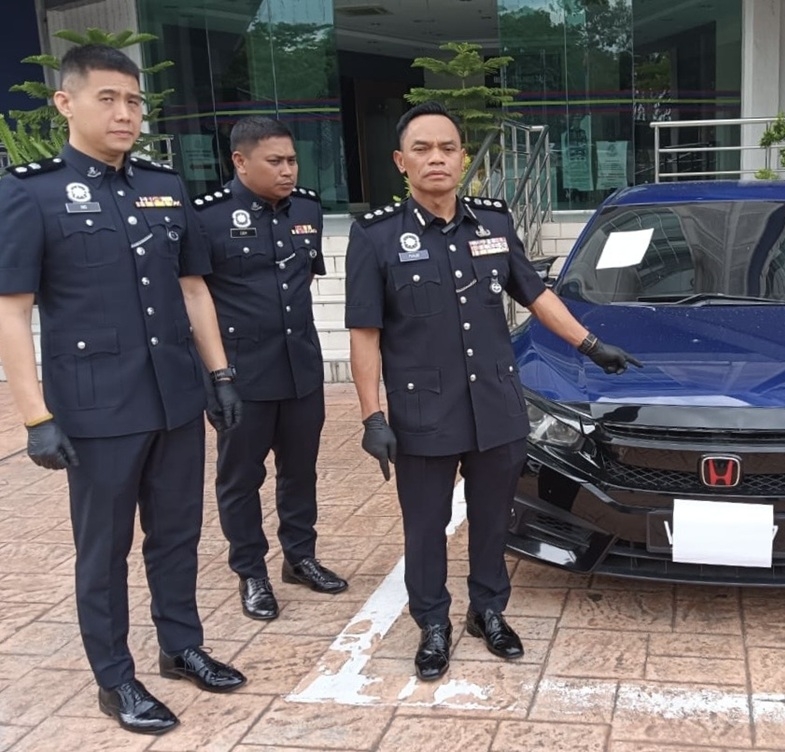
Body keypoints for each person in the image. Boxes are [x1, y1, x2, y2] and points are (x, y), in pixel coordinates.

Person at [345, 101, 640, 682]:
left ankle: (488, 612)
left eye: (448, 148)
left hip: (496, 406)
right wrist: (371, 415)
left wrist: (590, 344)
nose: (437, 158)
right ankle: (433, 622)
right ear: (401, 162)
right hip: (423, 412)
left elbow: (535, 293)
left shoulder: (494, 223)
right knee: (425, 525)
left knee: (493, 518)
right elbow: (365, 334)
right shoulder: (376, 236)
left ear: (463, 158)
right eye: (423, 149)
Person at [0, 45, 247, 736]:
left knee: (176, 534)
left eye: (134, 101)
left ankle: (180, 645)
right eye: (108, 98)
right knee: (104, 549)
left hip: (173, 397)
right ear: (66, 103)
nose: (125, 113)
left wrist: (220, 373)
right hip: (97, 407)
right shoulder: (32, 191)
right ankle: (115, 678)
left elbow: (194, 290)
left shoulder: (162, 186)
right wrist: (34, 416)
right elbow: (11, 309)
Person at [194, 116, 347, 622]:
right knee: (240, 477)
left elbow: (302, 278)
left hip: (299, 368)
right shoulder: (207, 219)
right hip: (241, 375)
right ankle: (251, 571)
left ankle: (299, 557)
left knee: (300, 471)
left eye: (292, 160)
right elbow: (196, 304)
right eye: (274, 161)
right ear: (240, 161)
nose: (287, 171)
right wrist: (215, 379)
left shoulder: (306, 209)